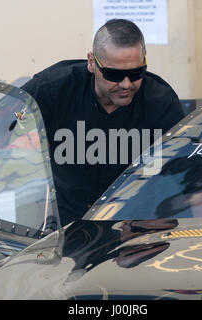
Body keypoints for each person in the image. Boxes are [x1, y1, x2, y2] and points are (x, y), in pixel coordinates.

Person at [21, 19, 185, 226]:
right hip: (67, 224)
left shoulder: (160, 101)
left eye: (136, 73)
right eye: (113, 74)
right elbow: (0, 126)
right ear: (91, 62)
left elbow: (191, 177)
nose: (126, 84)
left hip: (136, 227)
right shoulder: (54, 88)